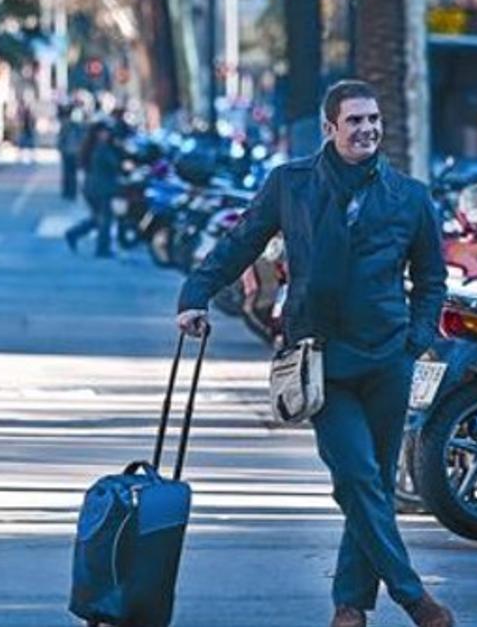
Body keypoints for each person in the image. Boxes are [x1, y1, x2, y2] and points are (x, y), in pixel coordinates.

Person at [175, 80, 454, 627]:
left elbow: (431, 278)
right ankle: (413, 597)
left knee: (370, 483)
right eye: (354, 120)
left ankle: (349, 607)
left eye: (373, 119)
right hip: (319, 359)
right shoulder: (291, 184)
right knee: (355, 478)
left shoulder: (411, 197)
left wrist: (416, 339)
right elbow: (241, 242)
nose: (367, 129)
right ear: (330, 128)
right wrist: (195, 294)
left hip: (387, 359)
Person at [64, 121, 119, 258]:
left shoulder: (91, 146)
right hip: (101, 188)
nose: (107, 134)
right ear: (98, 133)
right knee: (105, 218)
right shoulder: (101, 148)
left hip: (92, 188)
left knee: (97, 218)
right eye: (104, 132)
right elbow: (113, 164)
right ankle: (102, 248)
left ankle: (73, 233)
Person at [57, 103, 85, 200]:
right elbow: (61, 139)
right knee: (69, 173)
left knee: (70, 173)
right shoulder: (69, 126)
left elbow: (61, 139)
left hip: (71, 152)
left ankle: (70, 192)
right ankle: (69, 191)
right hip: (70, 152)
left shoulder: (75, 127)